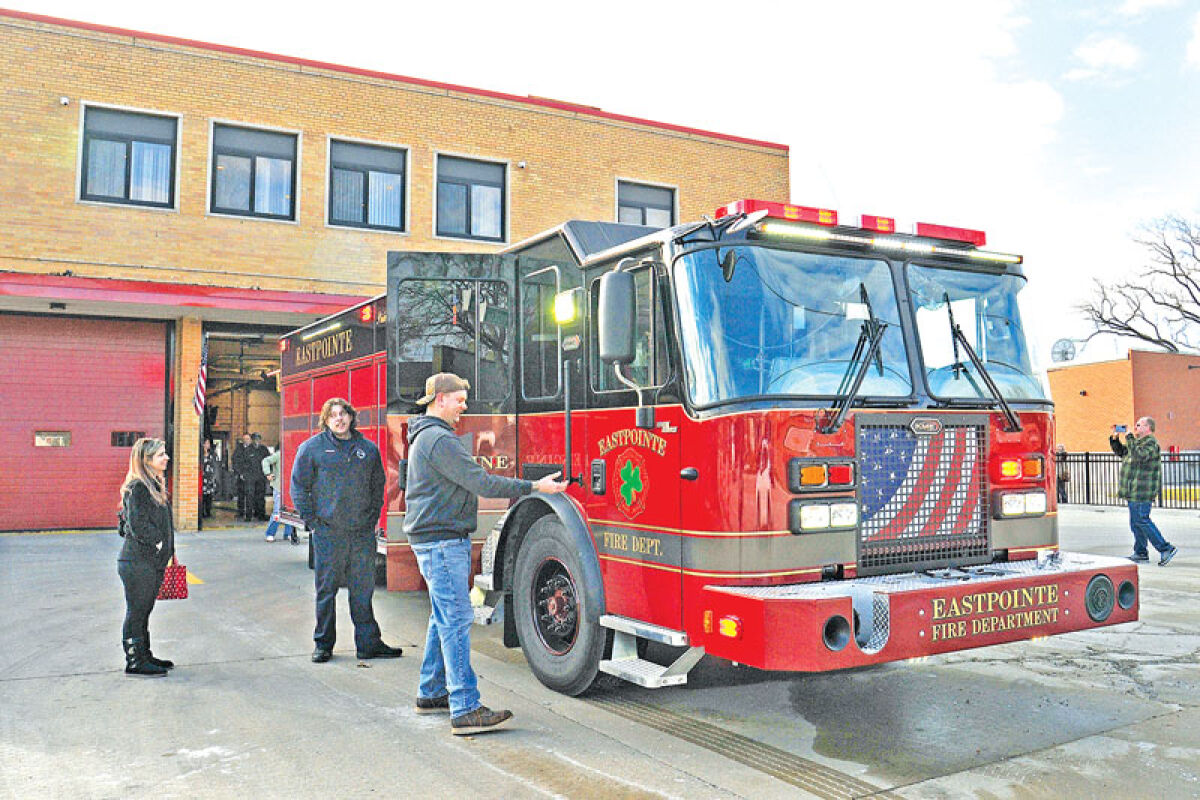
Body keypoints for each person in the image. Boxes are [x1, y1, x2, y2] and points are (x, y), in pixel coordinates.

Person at [404, 372, 568, 735]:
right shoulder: (438, 440)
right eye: (460, 399)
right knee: (457, 621)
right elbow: (481, 481)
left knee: (441, 617)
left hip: (435, 539)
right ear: (440, 398)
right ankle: (464, 707)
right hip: (442, 541)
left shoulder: (426, 436)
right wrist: (533, 486)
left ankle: (430, 693)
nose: (464, 406)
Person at [291, 398, 402, 663]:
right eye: (333, 416)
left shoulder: (368, 450)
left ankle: (368, 644)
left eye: (343, 414)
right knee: (326, 591)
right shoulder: (312, 449)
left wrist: (372, 517)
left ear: (351, 417)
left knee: (362, 591)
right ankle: (323, 645)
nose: (339, 419)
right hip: (329, 534)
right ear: (326, 421)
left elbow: (378, 487)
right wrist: (314, 522)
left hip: (361, 534)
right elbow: (298, 487)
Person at [116, 438, 176, 677]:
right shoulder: (138, 486)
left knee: (144, 609)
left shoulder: (151, 484)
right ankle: (135, 661)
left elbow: (124, 523)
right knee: (137, 611)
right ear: (146, 460)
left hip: (149, 561)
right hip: (138, 561)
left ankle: (145, 654)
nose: (166, 458)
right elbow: (136, 524)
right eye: (161, 455)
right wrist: (158, 542)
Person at [1110, 418, 1178, 566]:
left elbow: (1139, 455)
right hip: (1133, 490)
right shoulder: (1137, 443)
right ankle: (1141, 553)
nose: (1135, 427)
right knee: (1135, 523)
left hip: (1143, 490)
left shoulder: (1151, 443)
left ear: (1148, 427)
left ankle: (1165, 548)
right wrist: (1115, 438)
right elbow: (1122, 452)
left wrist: (1128, 437)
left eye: (1139, 425)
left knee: (1142, 519)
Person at [262, 447, 298, 544]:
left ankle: (289, 533)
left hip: (291, 487)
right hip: (279, 487)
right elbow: (265, 461)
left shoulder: (296, 453)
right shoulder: (279, 454)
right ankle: (270, 533)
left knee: (290, 511)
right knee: (277, 511)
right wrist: (268, 473)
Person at [232, 434, 252, 520]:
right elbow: (235, 461)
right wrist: (240, 473)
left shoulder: (253, 449)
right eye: (244, 439)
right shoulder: (238, 449)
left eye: (248, 439)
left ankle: (249, 514)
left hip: (250, 476)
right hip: (240, 476)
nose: (246, 440)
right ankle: (240, 512)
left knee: (250, 496)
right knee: (240, 495)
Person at [201, 439, 217, 519]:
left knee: (209, 496)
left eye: (208, 443)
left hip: (210, 478)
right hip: (202, 478)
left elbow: (215, 466)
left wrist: (214, 477)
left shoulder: (212, 454)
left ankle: (208, 511)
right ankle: (201, 512)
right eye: (206, 443)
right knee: (202, 496)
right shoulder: (200, 455)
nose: (207, 445)